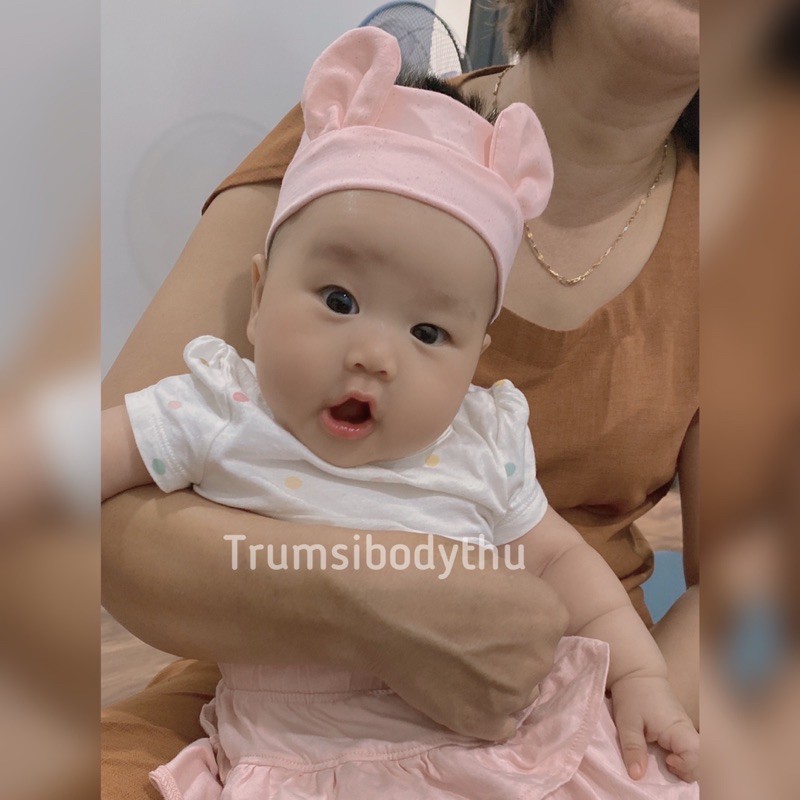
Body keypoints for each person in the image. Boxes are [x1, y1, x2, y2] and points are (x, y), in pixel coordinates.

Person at [101, 2, 699, 796]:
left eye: (427, 332)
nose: (375, 356)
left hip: (529, 715)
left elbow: (585, 566)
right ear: (259, 294)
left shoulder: (478, 446)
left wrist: (645, 687)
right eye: (340, 302)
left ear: (478, 358)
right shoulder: (227, 402)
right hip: (281, 719)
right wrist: (378, 597)